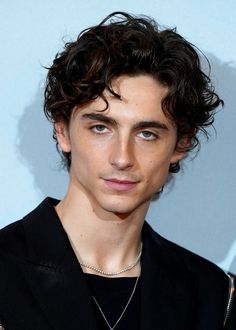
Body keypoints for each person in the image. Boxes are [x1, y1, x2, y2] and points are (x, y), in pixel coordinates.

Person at [0, 11, 235, 330]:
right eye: (100, 128)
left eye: (147, 134)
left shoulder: (216, 297)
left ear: (180, 146)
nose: (122, 158)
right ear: (63, 132)